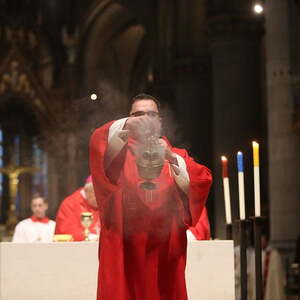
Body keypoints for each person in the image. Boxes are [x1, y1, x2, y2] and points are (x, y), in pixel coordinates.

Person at [90, 93, 212, 300]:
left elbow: (202, 179)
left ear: (160, 121)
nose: (144, 119)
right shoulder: (116, 152)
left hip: (164, 249)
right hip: (124, 248)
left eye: (150, 115)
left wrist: (171, 158)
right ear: (128, 119)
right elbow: (97, 140)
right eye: (138, 114)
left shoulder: (174, 153)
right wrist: (129, 124)